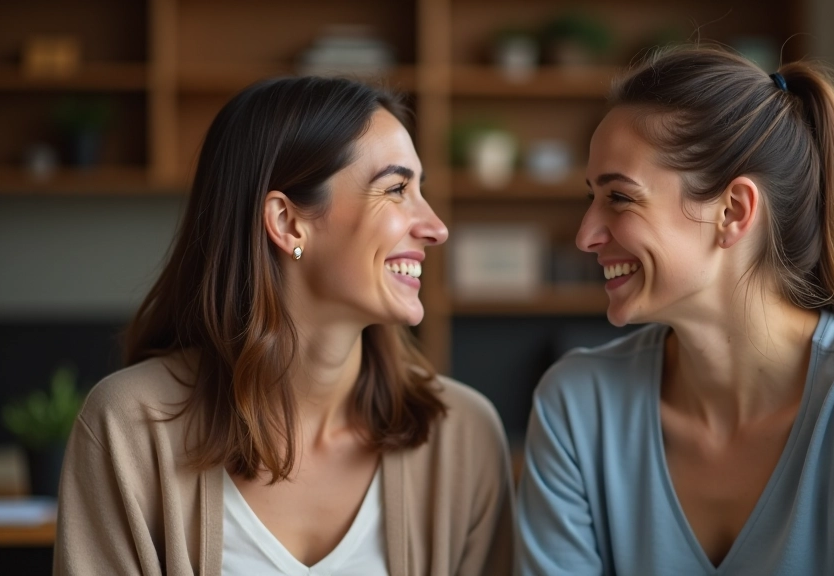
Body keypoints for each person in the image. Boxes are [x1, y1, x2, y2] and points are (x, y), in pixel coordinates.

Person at [516, 47, 834, 575]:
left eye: (620, 199)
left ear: (733, 211)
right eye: (592, 198)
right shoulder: (577, 406)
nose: (585, 235)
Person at [54, 76, 514, 576]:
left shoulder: (463, 437)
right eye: (397, 189)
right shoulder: (128, 430)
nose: (435, 226)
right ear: (288, 222)